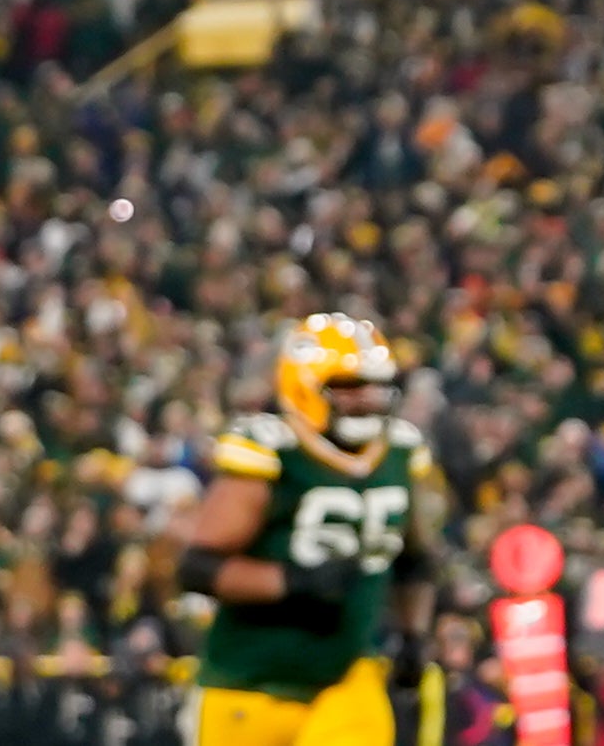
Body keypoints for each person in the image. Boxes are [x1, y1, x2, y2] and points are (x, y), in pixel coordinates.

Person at [176, 313, 440, 746]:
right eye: (349, 387)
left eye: (374, 386)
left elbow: (416, 560)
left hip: (346, 675)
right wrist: (292, 582)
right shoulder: (271, 454)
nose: (366, 400)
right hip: (249, 683)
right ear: (306, 385)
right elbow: (198, 568)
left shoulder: (401, 453)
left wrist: (413, 637)